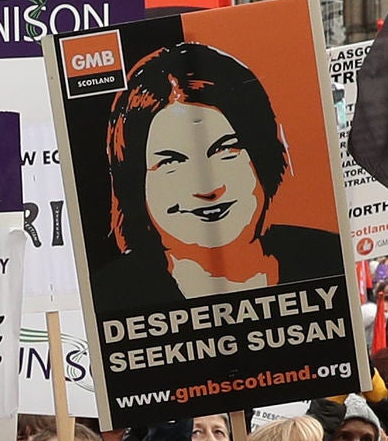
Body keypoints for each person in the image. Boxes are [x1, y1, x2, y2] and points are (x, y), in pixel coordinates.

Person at [95, 39, 335, 301]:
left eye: (224, 150)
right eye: (171, 162)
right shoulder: (111, 295)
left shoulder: (327, 259)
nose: (208, 189)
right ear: (135, 182)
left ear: (262, 155)